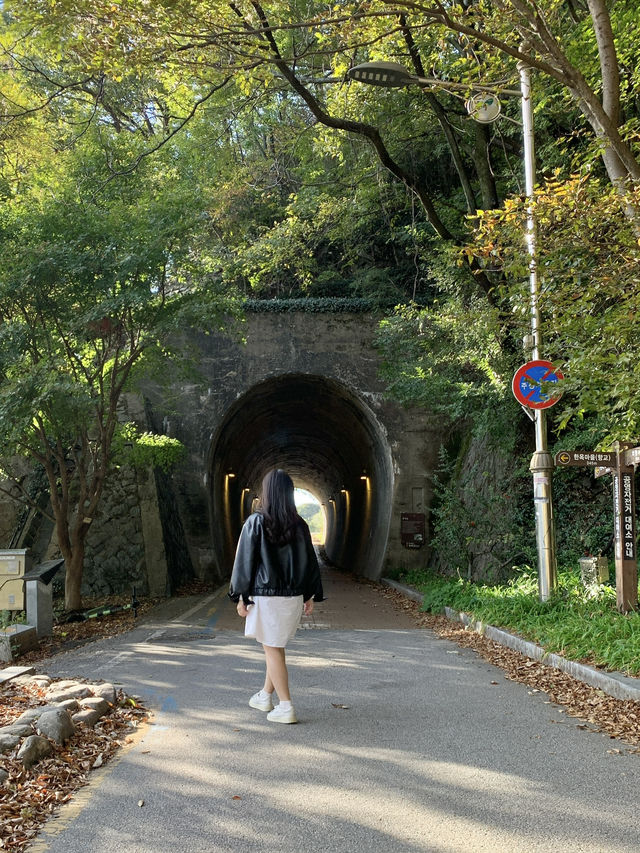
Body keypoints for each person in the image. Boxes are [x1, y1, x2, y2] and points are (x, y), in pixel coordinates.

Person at [228, 469, 324, 724]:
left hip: (266, 596)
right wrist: (310, 594)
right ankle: (264, 695)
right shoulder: (300, 524)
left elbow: (245, 561)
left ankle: (286, 705)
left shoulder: (256, 522)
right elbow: (310, 562)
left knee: (272, 649)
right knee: (275, 646)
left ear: (266, 492)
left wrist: (240, 596)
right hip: (292, 597)